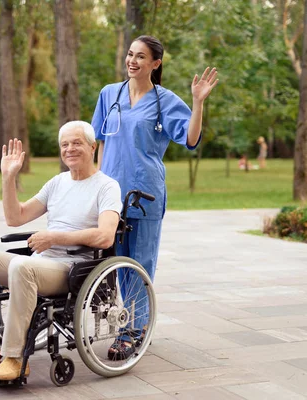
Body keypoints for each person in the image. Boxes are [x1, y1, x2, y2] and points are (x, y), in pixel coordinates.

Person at [0, 121, 122, 381]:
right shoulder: (57, 183)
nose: (69, 149)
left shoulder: (106, 186)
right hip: (40, 263)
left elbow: (105, 237)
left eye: (76, 143)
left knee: (21, 266)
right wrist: (8, 178)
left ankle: (15, 359)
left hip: (73, 269)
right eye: (64, 144)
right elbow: (15, 217)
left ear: (93, 147)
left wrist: (56, 237)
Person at [90, 35, 218, 359]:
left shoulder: (165, 100)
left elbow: (190, 139)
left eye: (141, 56)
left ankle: (132, 331)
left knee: (139, 264)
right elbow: (99, 141)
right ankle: (129, 323)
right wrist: (94, 184)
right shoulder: (109, 94)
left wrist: (199, 102)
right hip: (110, 195)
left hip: (145, 194)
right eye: (130, 54)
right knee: (115, 265)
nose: (132, 61)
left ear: (155, 63)